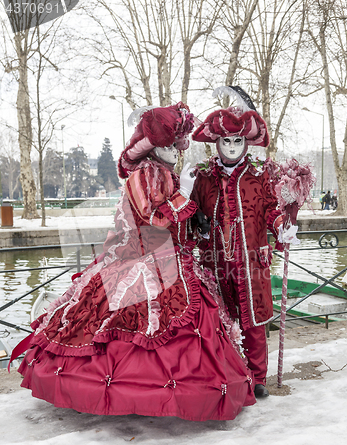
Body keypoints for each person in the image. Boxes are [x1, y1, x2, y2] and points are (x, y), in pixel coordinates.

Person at [15, 102, 255, 421]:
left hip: (169, 260)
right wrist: (187, 205)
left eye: (176, 145)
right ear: (153, 148)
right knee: (129, 323)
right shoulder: (144, 174)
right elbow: (152, 216)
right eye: (168, 145)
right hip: (140, 260)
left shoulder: (162, 174)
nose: (174, 151)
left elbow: (171, 224)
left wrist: (193, 214)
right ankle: (139, 394)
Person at [190, 86, 292, 399]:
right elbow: (192, 213)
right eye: (226, 141)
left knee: (254, 319)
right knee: (220, 318)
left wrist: (283, 229)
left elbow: (274, 210)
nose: (232, 147)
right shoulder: (204, 177)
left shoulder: (262, 175)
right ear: (216, 143)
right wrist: (199, 225)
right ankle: (230, 372)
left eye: (238, 141)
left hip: (251, 262)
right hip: (215, 261)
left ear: (245, 142)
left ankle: (257, 376)